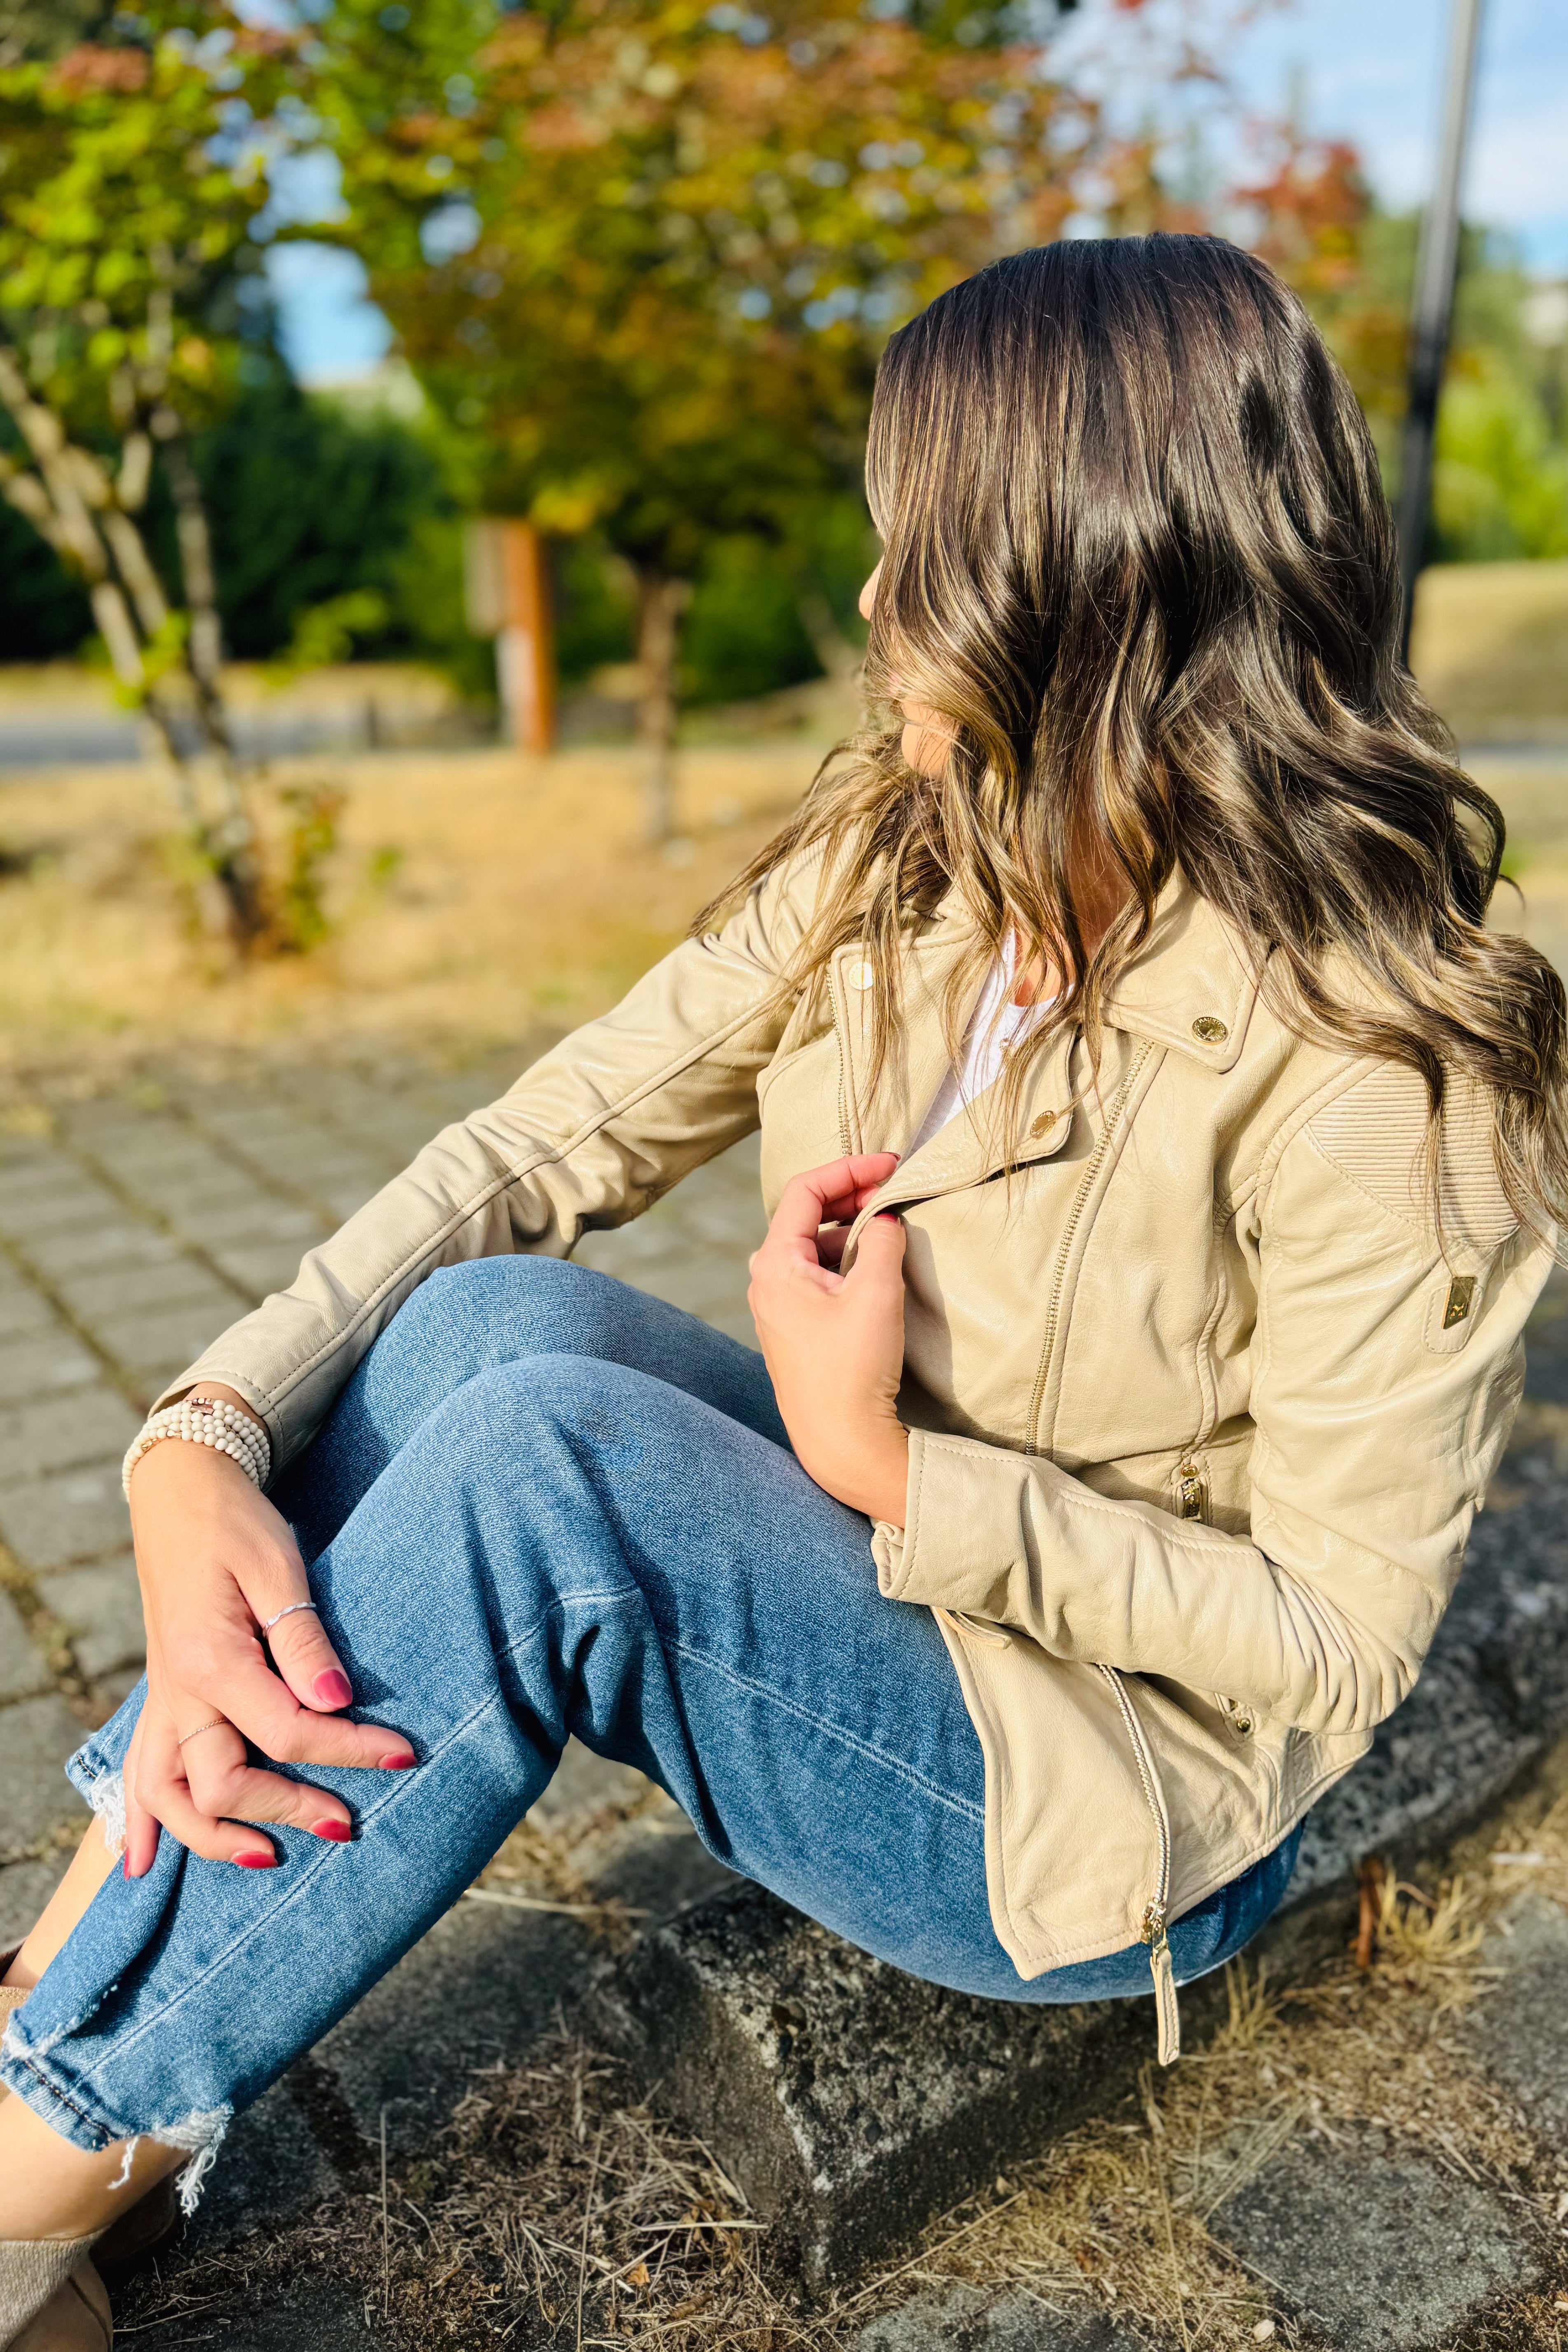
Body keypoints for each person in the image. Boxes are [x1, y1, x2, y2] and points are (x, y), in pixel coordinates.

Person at [2, 232, 1561, 2349]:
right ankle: (74, 2041)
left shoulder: (1393, 1050)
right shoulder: (914, 850)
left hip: (1102, 1784)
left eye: (911, 555)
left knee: (545, 1464)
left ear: (1086, 575)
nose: (863, 610)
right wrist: (199, 1434)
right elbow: (530, 1153)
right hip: (896, 1564)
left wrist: (883, 1473)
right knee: (475, 1334)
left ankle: (36, 2155)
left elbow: (1329, 1642)